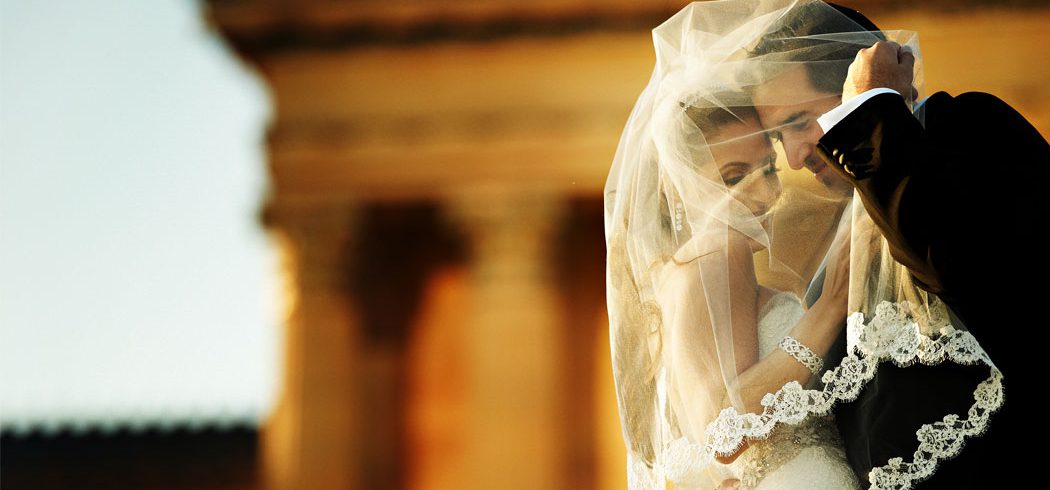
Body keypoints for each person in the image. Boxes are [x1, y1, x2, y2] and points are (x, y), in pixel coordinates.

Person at [748, 1, 1040, 487]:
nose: (795, 157)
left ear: (855, 85)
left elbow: (954, 263)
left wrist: (869, 113)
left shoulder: (969, 127)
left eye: (800, 121)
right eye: (781, 137)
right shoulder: (837, 253)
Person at [605, 2, 894, 488]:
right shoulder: (716, 252)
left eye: (767, 169)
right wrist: (828, 308)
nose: (759, 195)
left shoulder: (679, 272)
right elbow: (722, 434)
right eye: (732, 177)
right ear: (679, 187)